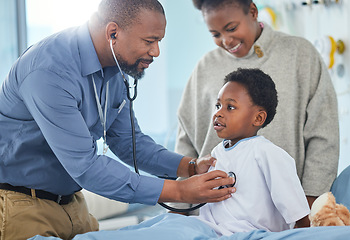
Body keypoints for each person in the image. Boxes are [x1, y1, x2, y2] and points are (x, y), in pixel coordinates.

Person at [0, 0, 235, 239]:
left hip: (73, 203)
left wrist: (190, 167)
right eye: (149, 41)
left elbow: (129, 143)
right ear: (113, 32)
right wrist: (180, 191)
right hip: (23, 205)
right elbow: (87, 167)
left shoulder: (115, 67)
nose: (156, 52)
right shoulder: (49, 72)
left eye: (158, 41)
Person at [174, 0, 339, 212]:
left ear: (253, 11)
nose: (226, 40)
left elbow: (324, 137)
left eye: (231, 28)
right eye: (215, 34)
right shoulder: (205, 68)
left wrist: (307, 208)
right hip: (212, 215)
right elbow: (185, 144)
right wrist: (177, 208)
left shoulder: (300, 55)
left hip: (284, 215)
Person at [194, 68, 310, 236]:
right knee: (170, 226)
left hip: (250, 233)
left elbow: (294, 205)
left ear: (258, 118)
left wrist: (308, 232)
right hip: (211, 230)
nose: (218, 113)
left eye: (230, 107)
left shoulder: (266, 153)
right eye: (218, 105)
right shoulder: (217, 152)